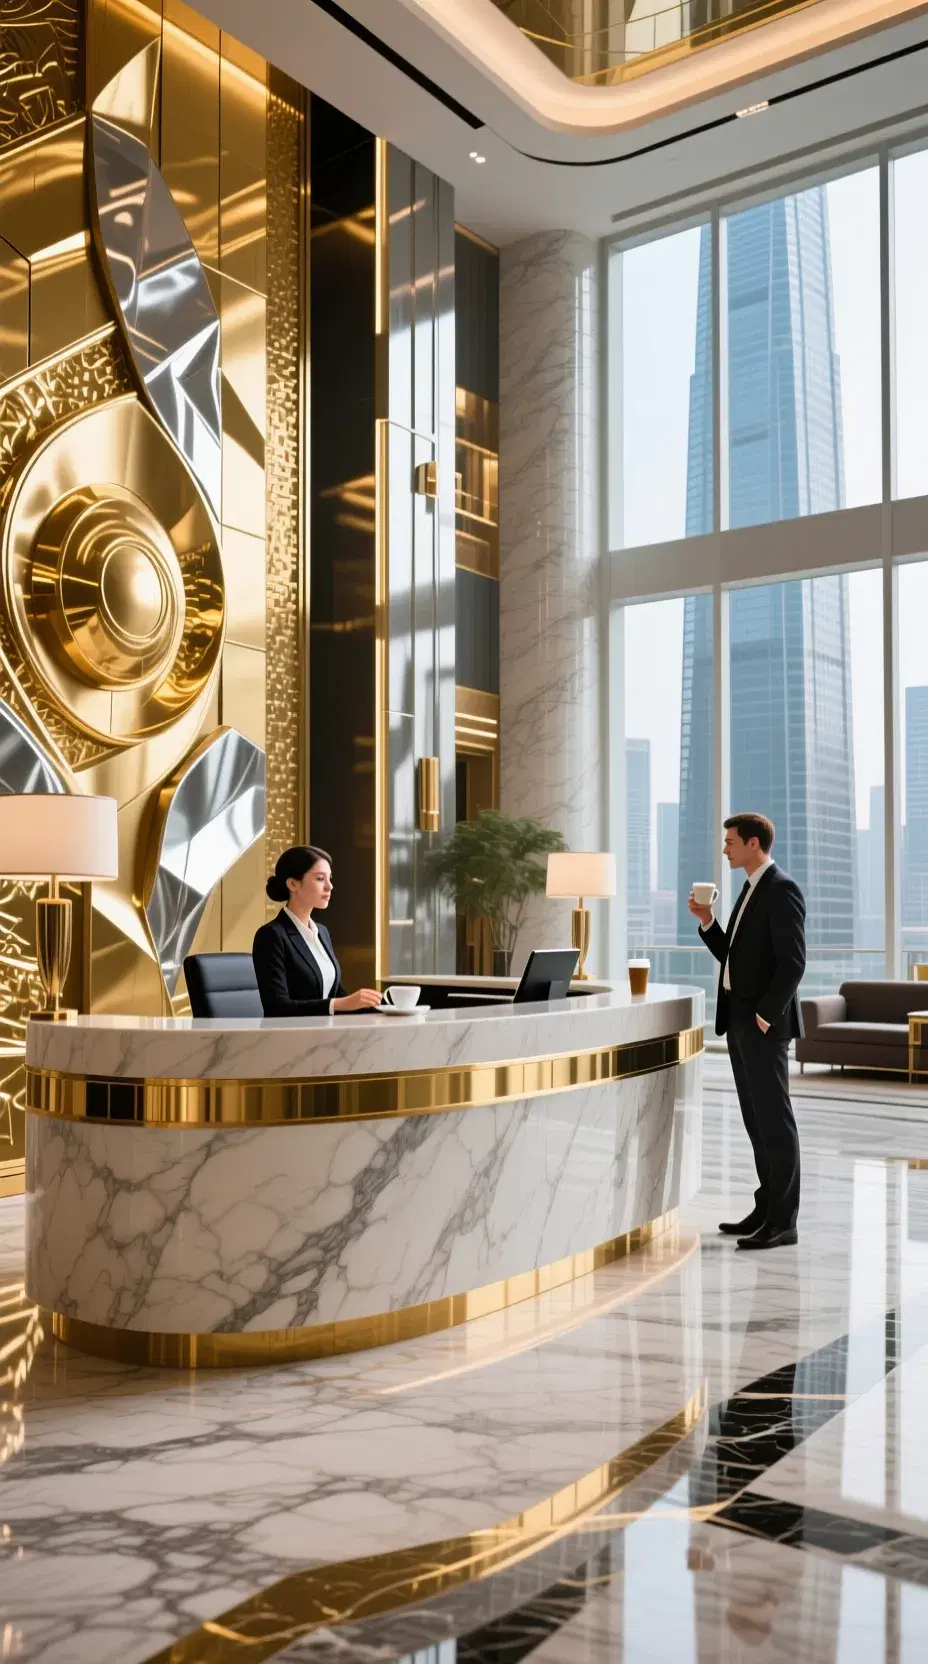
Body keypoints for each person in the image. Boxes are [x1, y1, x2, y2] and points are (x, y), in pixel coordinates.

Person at [688, 813, 806, 1251]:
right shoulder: (750, 889)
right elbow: (732, 956)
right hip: (738, 1021)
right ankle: (766, 1206)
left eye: (731, 842)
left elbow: (793, 962)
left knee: (775, 1121)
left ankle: (784, 1221)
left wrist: (763, 1016)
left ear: (753, 843)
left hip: (761, 1024)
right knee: (756, 1121)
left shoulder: (781, 889)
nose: (725, 849)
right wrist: (707, 920)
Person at [253, 845, 382, 1017]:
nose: (330, 886)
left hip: (326, 1035)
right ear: (293, 884)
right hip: (291, 1038)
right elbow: (277, 1007)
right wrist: (340, 1004)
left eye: (330, 878)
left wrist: (381, 1007)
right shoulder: (271, 936)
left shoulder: (322, 932)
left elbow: (336, 994)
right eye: (320, 879)